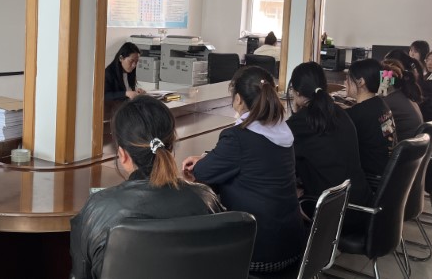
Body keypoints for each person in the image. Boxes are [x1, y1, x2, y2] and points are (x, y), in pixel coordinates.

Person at [70, 95, 223, 279]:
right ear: (171, 146)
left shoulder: (97, 210)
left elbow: (81, 274)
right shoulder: (205, 199)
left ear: (122, 155)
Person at [183, 66, 305, 274]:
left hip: (258, 252)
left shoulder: (238, 137)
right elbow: (249, 159)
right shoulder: (281, 130)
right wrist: (208, 157)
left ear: (238, 99)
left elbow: (202, 173)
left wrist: (203, 161)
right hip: (293, 247)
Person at [286, 62, 370, 228]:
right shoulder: (340, 113)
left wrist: (295, 114)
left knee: (279, 198)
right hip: (360, 203)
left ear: (296, 92)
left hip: (336, 215)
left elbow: (279, 162)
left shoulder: (300, 123)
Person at [344, 59, 397, 179]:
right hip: (386, 174)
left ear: (360, 82)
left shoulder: (356, 114)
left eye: (348, 78)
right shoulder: (381, 105)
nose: (345, 82)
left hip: (370, 178)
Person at [380, 59, 424, 141]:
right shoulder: (402, 95)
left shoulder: (387, 103)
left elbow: (385, 135)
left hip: (403, 146)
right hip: (412, 145)